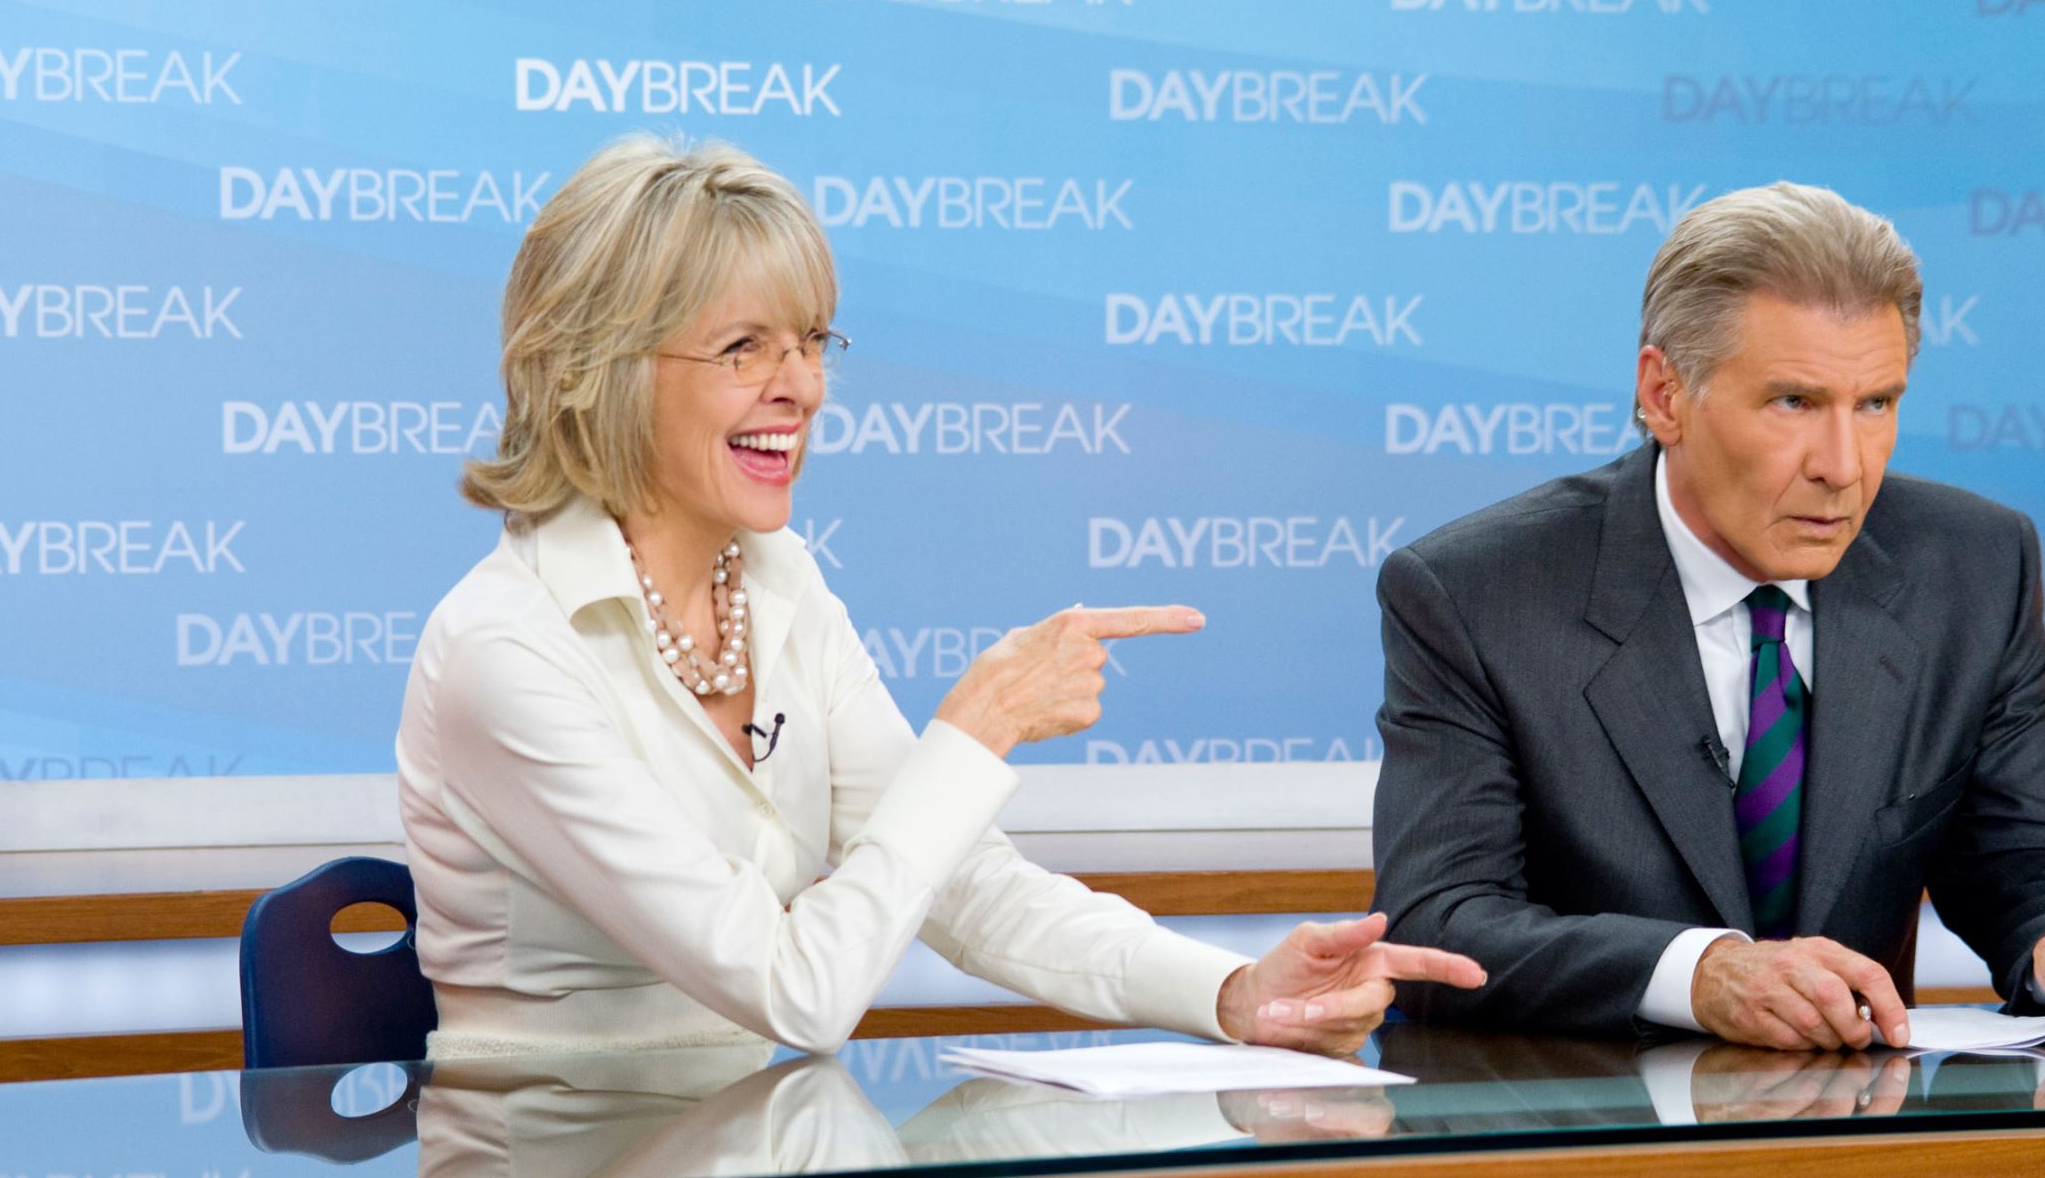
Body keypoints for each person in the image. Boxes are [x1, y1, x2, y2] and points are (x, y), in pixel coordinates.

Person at [397, 134, 1482, 1097]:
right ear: (594, 371)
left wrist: (1235, 994)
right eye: (743, 349)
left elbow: (967, 890)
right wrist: (973, 733)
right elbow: (794, 993)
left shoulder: (779, 583)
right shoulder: (507, 650)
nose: (801, 388)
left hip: (739, 1146)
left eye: (811, 342)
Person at [1372, 182, 2045, 1050]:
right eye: (1793, 402)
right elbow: (1439, 923)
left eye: (1875, 404)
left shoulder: (1971, 567)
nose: (1842, 466)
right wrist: (1699, 973)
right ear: (1664, 395)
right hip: (1584, 1104)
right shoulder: (1480, 593)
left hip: (1857, 1107)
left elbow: (2021, 853)